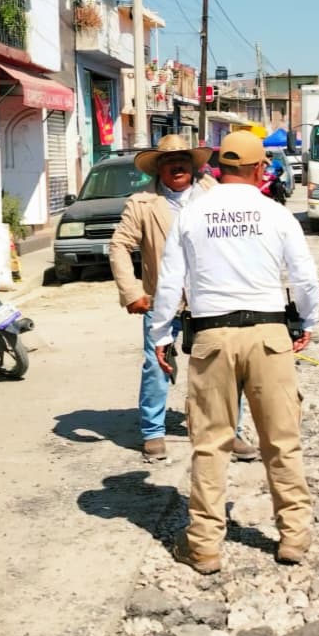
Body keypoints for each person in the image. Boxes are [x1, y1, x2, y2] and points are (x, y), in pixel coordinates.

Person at [152, 131, 319, 574]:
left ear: (216, 169)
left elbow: (170, 281)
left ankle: (204, 546)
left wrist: (160, 335)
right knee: (282, 440)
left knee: (210, 444)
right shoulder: (276, 213)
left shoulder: (191, 213)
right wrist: (307, 320)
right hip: (268, 335)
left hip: (211, 338)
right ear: (261, 169)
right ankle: (293, 538)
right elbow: (303, 275)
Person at [109, 135, 258, 462]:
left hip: (213, 298)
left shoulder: (215, 195)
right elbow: (119, 245)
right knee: (156, 366)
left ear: (193, 164)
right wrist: (132, 291)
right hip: (161, 299)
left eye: (182, 160)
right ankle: (153, 432)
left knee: (225, 366)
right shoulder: (141, 203)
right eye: (167, 161)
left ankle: (231, 433)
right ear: (159, 168)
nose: (176, 166)